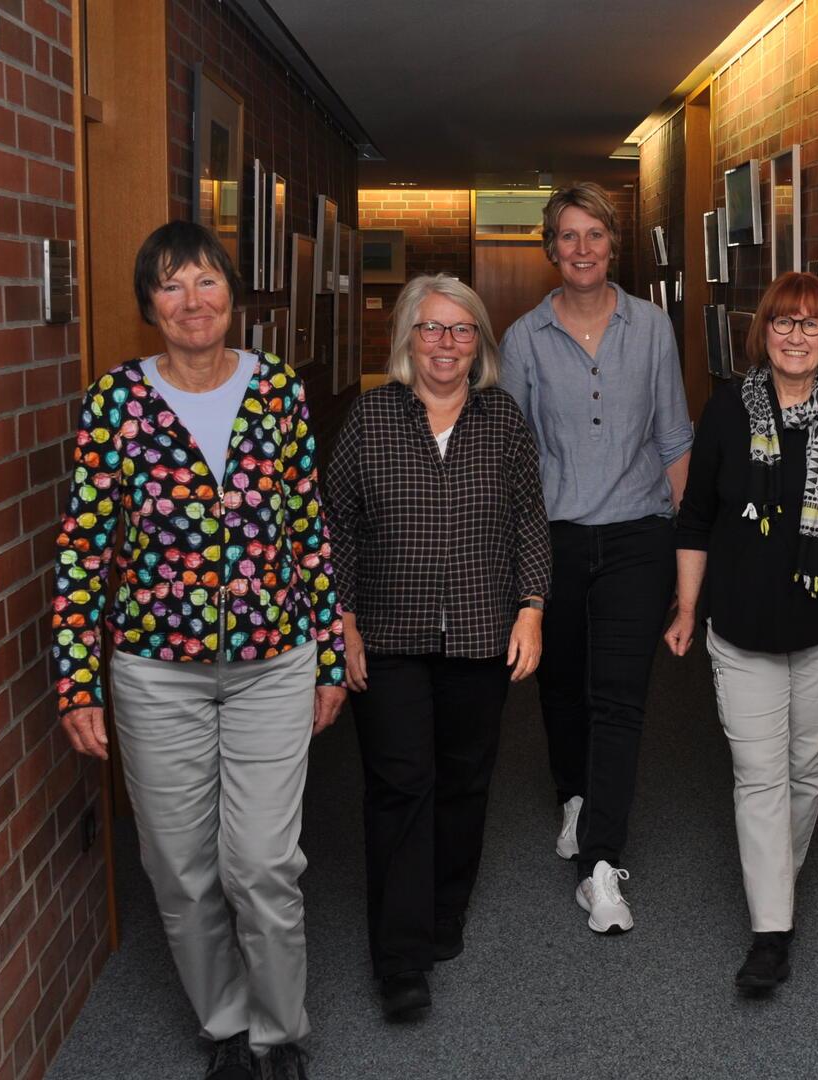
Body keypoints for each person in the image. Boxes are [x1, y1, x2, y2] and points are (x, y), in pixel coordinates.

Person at [51, 221, 344, 1080]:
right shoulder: (117, 402)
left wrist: (329, 656)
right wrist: (76, 682)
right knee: (177, 867)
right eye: (172, 286)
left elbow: (308, 532)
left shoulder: (279, 390)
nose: (192, 301)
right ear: (149, 305)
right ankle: (224, 1025)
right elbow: (83, 549)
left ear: (232, 295)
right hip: (155, 673)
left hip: (272, 664)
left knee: (261, 863)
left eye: (206, 281)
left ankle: (278, 1033)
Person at [664, 271, 818, 996]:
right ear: (761, 332)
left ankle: (776, 889)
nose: (796, 336)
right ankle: (771, 934)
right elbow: (697, 518)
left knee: (805, 771)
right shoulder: (729, 411)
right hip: (739, 631)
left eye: (811, 325)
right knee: (759, 776)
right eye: (783, 323)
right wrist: (684, 607)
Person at [323, 275, 550, 1018]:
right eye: (431, 328)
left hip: (482, 635)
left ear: (478, 343)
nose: (446, 344)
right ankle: (400, 958)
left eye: (460, 330)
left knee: (463, 781)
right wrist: (344, 623)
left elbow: (529, 522)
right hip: (387, 638)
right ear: (407, 340)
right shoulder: (371, 419)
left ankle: (443, 912)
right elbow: (336, 528)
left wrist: (531, 610)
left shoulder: (504, 422)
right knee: (398, 786)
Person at [500, 182, 692, 933]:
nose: (582, 249)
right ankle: (573, 795)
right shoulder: (522, 340)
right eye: (568, 237)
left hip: (639, 536)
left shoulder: (652, 328)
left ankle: (600, 865)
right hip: (555, 537)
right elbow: (513, 458)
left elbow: (674, 440)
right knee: (563, 689)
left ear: (615, 245)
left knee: (620, 696)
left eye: (595, 236)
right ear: (551, 249)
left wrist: (683, 562)